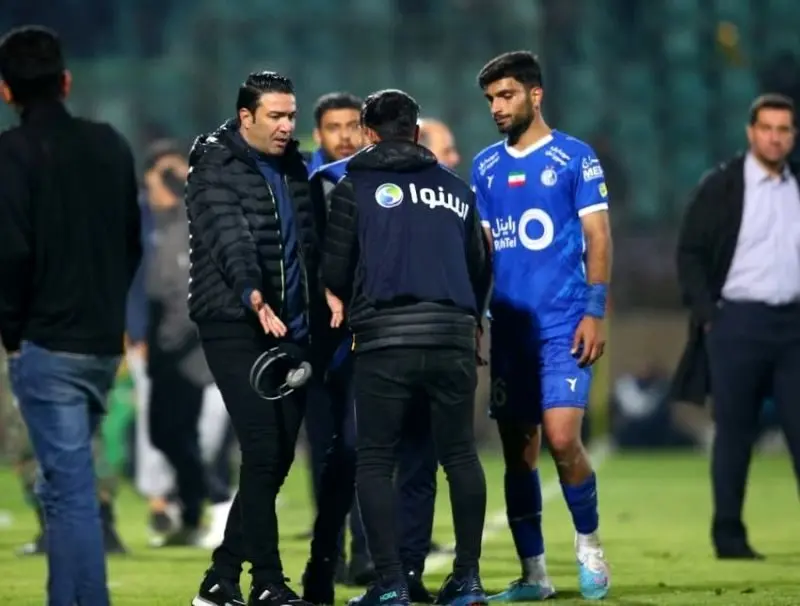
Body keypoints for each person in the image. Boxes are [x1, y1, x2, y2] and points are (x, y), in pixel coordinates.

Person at [322, 89, 492, 606]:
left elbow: (334, 268)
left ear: (368, 134)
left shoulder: (353, 187)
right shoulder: (457, 190)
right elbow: (480, 265)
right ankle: (467, 579)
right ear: (416, 133)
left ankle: (391, 581)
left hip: (385, 341)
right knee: (459, 455)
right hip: (452, 337)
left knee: (375, 459)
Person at [0, 25, 141, 606]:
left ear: (6, 90)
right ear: (65, 81)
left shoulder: (11, 154)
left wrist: (12, 332)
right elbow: (130, 242)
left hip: (46, 342)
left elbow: (11, 253)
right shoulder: (110, 143)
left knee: (69, 488)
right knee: (66, 484)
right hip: (101, 341)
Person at [471, 51, 612, 601]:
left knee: (562, 438)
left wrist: (595, 310)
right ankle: (534, 575)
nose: (496, 107)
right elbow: (484, 252)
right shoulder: (484, 167)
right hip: (509, 328)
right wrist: (475, 314)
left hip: (563, 323)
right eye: (490, 99)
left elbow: (598, 237)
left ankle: (589, 545)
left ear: (535, 94)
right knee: (518, 451)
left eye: (506, 95)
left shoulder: (574, 157)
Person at [187, 70, 324, 606]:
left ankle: (221, 577)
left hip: (290, 326)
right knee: (264, 446)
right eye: (276, 116)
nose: (287, 126)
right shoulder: (214, 166)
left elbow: (306, 244)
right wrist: (252, 293)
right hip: (235, 322)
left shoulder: (295, 167)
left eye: (292, 115)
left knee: (279, 455)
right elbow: (230, 237)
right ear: (246, 117)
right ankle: (267, 581)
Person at [673, 93, 800, 559]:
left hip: (793, 326)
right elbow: (689, 252)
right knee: (734, 433)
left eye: (783, 129)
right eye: (767, 128)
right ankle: (728, 536)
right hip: (737, 322)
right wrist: (708, 315)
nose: (775, 137)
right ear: (751, 133)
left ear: (793, 136)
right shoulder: (722, 185)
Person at [142, 140, 235, 548]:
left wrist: (167, 342)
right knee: (167, 433)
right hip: (166, 353)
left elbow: (188, 296)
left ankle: (219, 506)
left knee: (198, 439)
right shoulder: (157, 225)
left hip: (194, 354)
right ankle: (193, 510)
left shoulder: (190, 225)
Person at [306, 91, 364, 173]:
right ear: (318, 135)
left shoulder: (381, 174)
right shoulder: (298, 173)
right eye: (333, 128)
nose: (345, 136)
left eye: (354, 127)